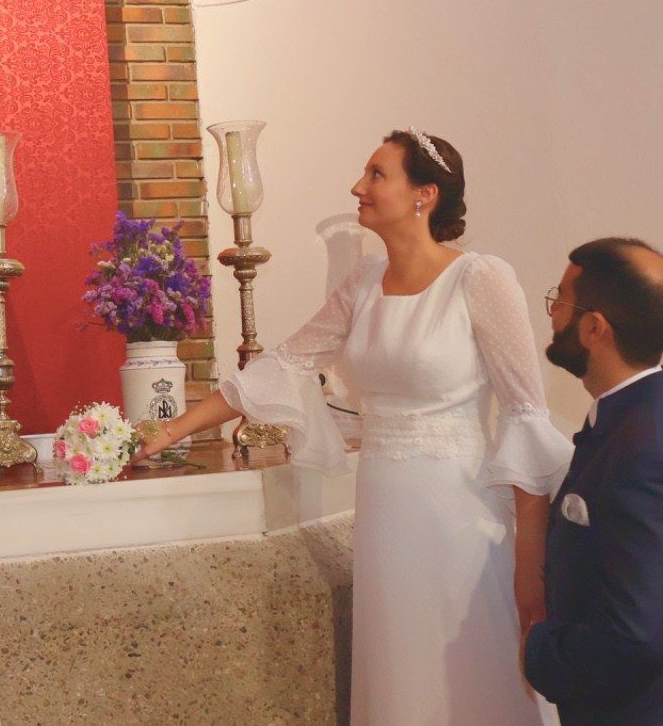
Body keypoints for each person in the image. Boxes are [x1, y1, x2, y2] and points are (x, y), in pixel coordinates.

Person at [139, 129, 571, 724]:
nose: (357, 188)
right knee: (398, 667)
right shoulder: (363, 283)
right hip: (385, 506)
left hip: (459, 511)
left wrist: (530, 567)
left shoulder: (481, 278)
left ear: (425, 194)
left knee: (467, 669)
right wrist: (170, 432)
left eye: (375, 174)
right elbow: (283, 366)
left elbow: (526, 416)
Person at [524, 238, 663, 724]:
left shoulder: (651, 448)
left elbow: (636, 636)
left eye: (560, 299)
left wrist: (539, 652)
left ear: (594, 328)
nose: (551, 314)